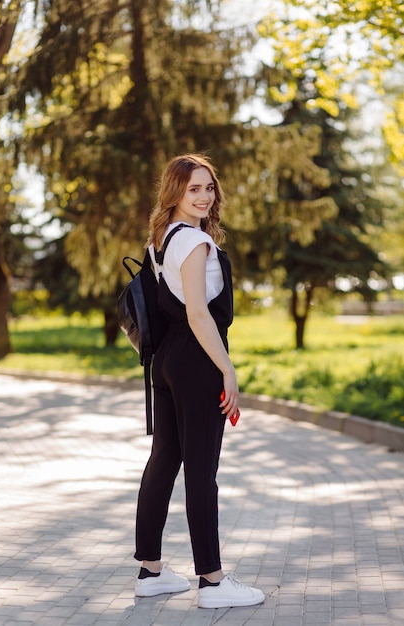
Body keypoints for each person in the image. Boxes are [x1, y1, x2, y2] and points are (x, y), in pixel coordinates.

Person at [134, 154, 264, 609]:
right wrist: (226, 368)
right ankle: (211, 581)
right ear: (175, 192)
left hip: (167, 360)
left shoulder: (163, 237)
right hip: (196, 358)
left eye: (209, 187)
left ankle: (150, 572)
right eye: (194, 189)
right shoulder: (193, 242)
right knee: (201, 471)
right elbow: (196, 312)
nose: (205, 196)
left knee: (164, 462)